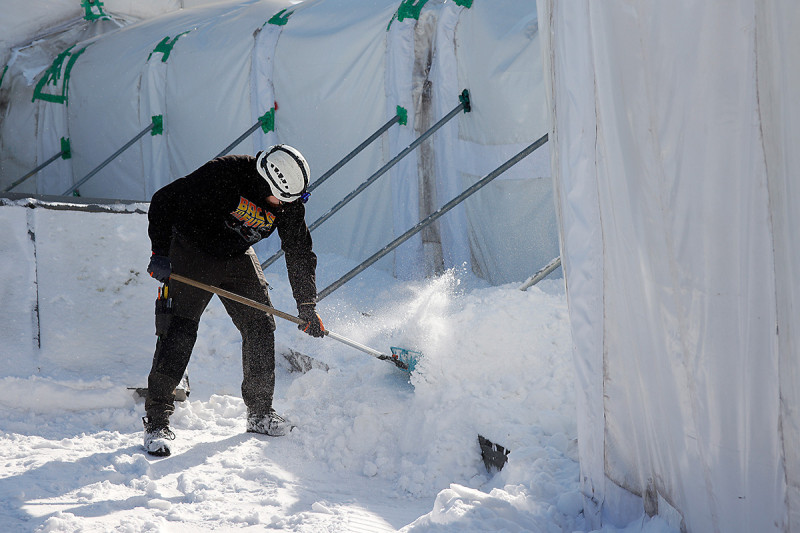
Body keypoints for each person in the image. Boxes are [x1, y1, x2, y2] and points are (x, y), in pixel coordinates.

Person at [142, 145, 325, 457]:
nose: (283, 207)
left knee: (260, 326)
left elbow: (298, 249)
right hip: (192, 251)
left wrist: (307, 304)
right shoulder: (225, 173)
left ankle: (260, 413)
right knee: (180, 331)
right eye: (279, 199)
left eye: (289, 202)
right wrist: (159, 252)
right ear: (265, 182)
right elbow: (163, 200)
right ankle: (157, 420)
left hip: (236, 256)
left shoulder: (288, 200)